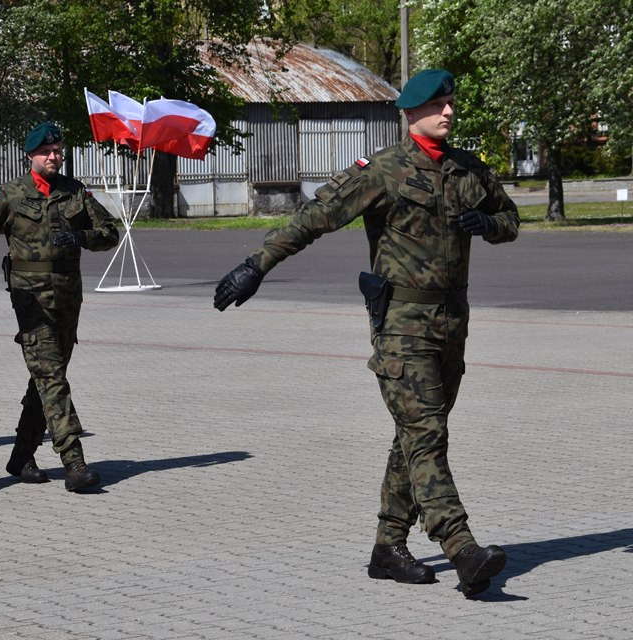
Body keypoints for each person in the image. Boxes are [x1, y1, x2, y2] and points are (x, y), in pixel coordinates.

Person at [213, 69, 520, 598]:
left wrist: (488, 225)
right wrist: (255, 265)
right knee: (427, 436)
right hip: (402, 327)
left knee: (415, 435)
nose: (448, 112)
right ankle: (462, 547)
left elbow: (511, 218)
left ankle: (387, 548)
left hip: (452, 324)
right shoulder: (382, 171)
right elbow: (314, 218)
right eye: (438, 105)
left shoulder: (470, 170)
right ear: (410, 113)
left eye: (451, 103)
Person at [0, 122, 119, 492]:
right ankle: (74, 461)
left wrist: (82, 236)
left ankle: (21, 455)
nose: (53, 156)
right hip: (30, 300)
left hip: (69, 297)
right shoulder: (10, 194)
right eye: (46, 152)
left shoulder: (75, 192)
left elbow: (110, 233)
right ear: (30, 156)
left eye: (57, 150)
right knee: (53, 377)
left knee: (46, 378)